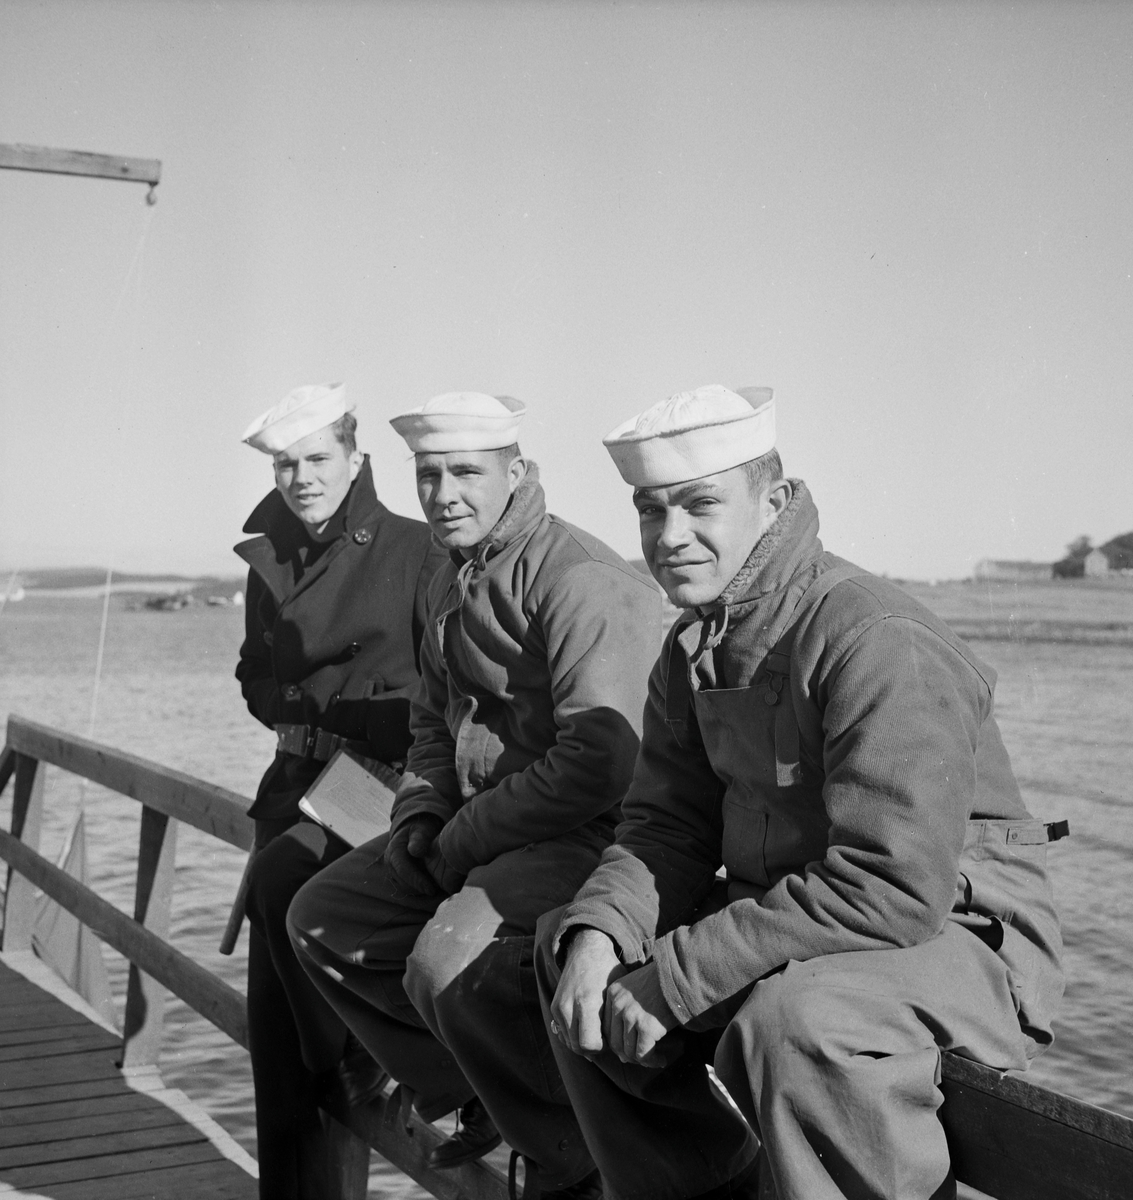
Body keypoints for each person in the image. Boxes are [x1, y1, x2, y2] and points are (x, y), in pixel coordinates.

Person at [541, 385, 1066, 1200]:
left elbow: (893, 886)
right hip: (804, 920)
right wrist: (603, 935)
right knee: (569, 951)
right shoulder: (692, 648)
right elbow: (664, 829)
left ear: (774, 501)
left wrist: (677, 976)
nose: (668, 537)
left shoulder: (874, 639)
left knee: (789, 1028)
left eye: (699, 505)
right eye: (650, 512)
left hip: (959, 938)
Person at [287, 391, 662, 1198]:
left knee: (445, 959)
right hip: (481, 828)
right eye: (428, 476)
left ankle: (573, 1155)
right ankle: (481, 1095)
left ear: (516, 472)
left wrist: (460, 840)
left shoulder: (581, 579)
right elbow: (432, 715)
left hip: (590, 835)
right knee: (324, 917)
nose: (443, 494)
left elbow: (601, 762)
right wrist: (421, 810)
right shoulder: (447, 571)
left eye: (465, 473)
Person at [235, 382, 445, 1200]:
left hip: (378, 783)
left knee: (285, 886)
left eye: (318, 458)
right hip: (290, 782)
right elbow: (254, 673)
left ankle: (368, 1052)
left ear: (355, 459)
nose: (301, 478)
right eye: (287, 464)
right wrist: (296, 718)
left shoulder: (416, 549)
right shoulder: (270, 558)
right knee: (274, 1045)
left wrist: (362, 730)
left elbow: (450, 681)